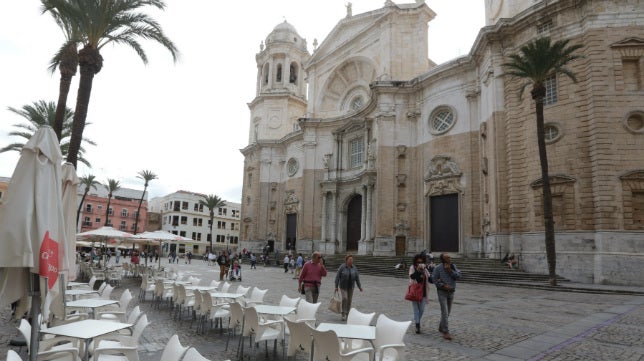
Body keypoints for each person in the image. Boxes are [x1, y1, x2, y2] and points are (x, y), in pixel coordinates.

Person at [432, 253, 462, 340]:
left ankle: (441, 327)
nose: (450, 258)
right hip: (442, 292)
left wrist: (450, 270)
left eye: (449, 257)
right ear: (443, 259)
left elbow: (459, 276)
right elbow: (434, 279)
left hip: (451, 292)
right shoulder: (437, 268)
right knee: (444, 312)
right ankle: (445, 331)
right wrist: (443, 285)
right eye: (447, 257)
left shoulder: (453, 266)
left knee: (448, 312)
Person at [334, 254, 364, 321]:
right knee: (345, 298)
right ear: (346, 260)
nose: (351, 261)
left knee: (349, 300)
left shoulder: (354, 268)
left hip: (351, 287)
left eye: (352, 259)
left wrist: (360, 287)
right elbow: (337, 276)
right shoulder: (342, 267)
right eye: (350, 259)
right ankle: (343, 313)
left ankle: (347, 314)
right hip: (343, 286)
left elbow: (357, 278)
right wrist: (336, 286)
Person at [409, 253, 432, 334]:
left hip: (423, 292)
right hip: (415, 292)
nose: (420, 263)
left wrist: (433, 270)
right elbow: (412, 277)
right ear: (415, 262)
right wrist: (418, 270)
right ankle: (417, 325)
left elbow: (430, 279)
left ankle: (417, 320)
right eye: (418, 262)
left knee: (421, 309)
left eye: (421, 262)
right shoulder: (412, 267)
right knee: (416, 309)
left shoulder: (425, 269)